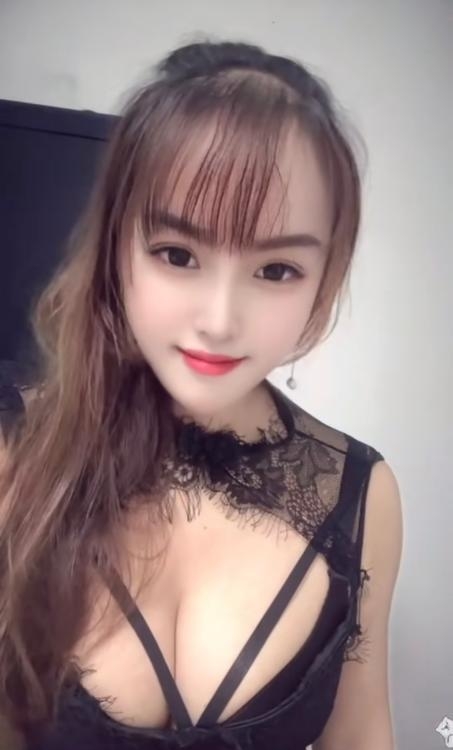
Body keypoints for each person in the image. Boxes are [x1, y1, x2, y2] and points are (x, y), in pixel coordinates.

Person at [0, 39, 403, 750]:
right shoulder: (17, 453)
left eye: (275, 270)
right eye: (177, 255)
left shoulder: (360, 497)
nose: (219, 320)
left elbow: (362, 732)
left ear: (325, 276)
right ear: (117, 247)